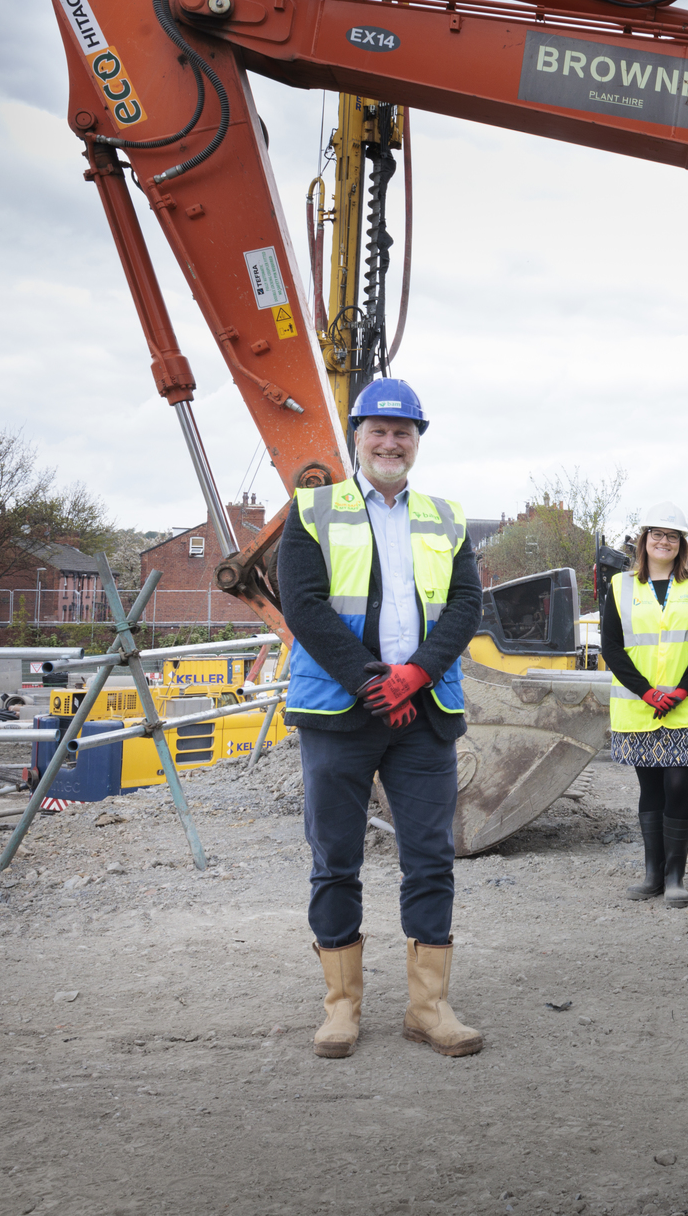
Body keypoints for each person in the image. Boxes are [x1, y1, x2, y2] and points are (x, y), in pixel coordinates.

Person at [279, 377, 484, 1060]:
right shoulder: (312, 511)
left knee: (430, 859)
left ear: (417, 441)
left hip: (422, 712)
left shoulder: (446, 518)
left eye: (404, 432)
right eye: (378, 429)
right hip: (341, 711)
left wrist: (414, 675)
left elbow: (463, 607)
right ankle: (341, 1008)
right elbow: (303, 606)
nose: (391, 441)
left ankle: (429, 1008)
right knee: (335, 859)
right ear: (357, 437)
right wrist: (372, 680)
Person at [602, 502, 688, 908]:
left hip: (684, 706)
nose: (664, 541)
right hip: (639, 706)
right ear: (644, 540)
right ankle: (652, 874)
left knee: (677, 784)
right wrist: (647, 692)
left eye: (672, 536)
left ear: (682, 544)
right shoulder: (620, 587)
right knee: (649, 787)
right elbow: (612, 649)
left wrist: (681, 691)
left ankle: (675, 877)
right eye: (657, 534)